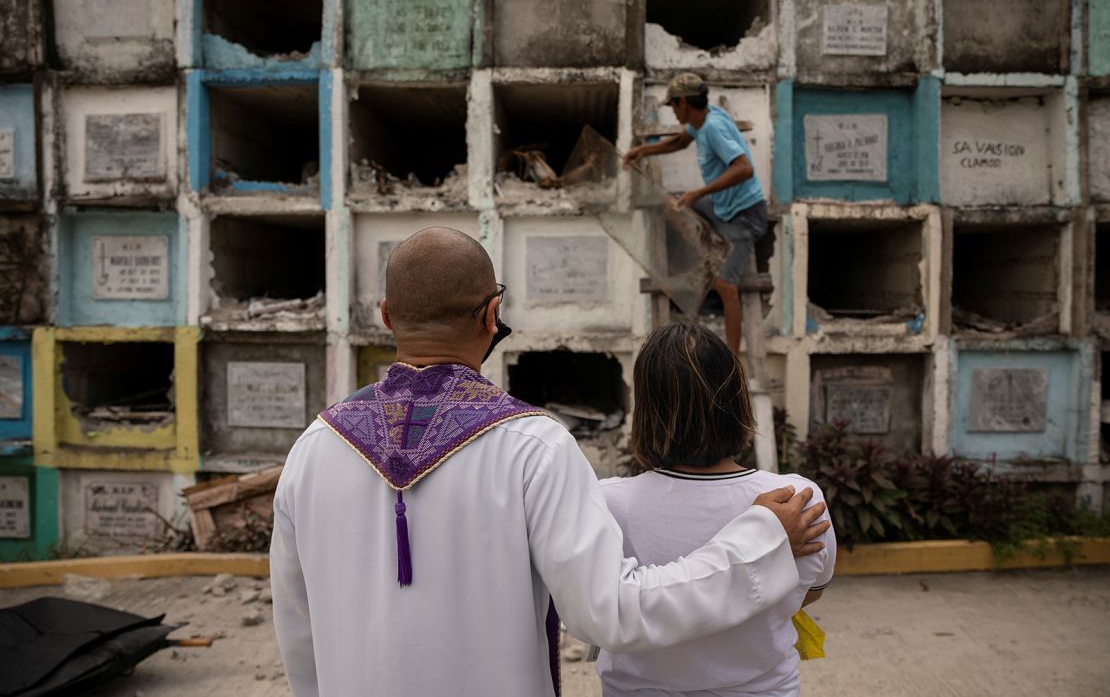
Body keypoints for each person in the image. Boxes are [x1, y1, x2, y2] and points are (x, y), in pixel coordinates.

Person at [270, 227, 830, 697]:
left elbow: (299, 633)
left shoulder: (313, 449)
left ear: (386, 315)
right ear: (493, 315)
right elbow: (609, 612)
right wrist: (761, 538)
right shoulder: (533, 446)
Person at [596, 323, 836, 696]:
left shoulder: (607, 504)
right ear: (738, 399)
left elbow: (595, 607)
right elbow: (809, 591)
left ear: (644, 410)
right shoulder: (797, 500)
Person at [624, 73, 768, 355]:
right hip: (722, 205)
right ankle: (703, 257)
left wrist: (699, 193)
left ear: (682, 103)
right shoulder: (701, 120)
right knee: (674, 205)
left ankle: (733, 359)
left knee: (725, 285)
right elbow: (679, 142)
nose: (674, 111)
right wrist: (643, 151)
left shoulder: (713, 127)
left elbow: (744, 168)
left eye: (673, 106)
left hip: (744, 215)